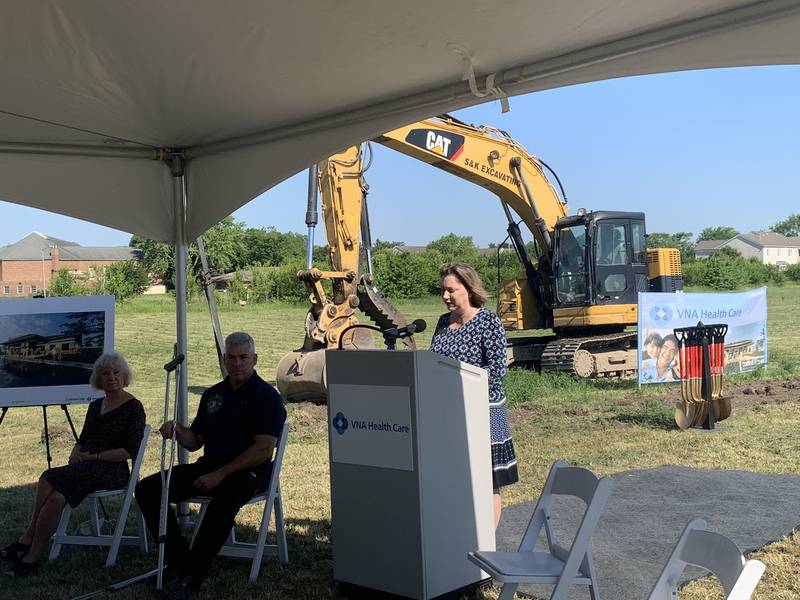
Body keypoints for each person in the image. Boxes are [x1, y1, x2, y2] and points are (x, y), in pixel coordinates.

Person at [135, 332, 286, 600]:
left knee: (224, 500)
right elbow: (195, 442)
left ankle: (191, 577)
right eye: (232, 357)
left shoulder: (267, 397)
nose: (237, 363)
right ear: (224, 359)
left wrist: (220, 474)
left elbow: (263, 449)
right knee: (148, 489)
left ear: (255, 359)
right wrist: (178, 430)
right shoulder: (213, 395)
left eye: (243, 357)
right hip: (210, 465)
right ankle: (179, 557)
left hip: (249, 472)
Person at [2, 352, 146, 577]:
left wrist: (95, 457)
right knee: (51, 484)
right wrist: (75, 452)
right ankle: (30, 538)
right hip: (86, 466)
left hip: (112, 470)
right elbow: (83, 438)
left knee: (55, 487)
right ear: (98, 379)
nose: (111, 378)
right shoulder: (96, 405)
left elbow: (129, 451)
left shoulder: (134, 407)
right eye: (105, 373)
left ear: (124, 375)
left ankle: (30, 552)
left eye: (116, 373)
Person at [429, 263, 518, 529]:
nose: (446, 296)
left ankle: (486, 543)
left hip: (484, 413)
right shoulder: (443, 323)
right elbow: (433, 363)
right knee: (457, 478)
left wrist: (462, 385)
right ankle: (460, 533)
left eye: (451, 290)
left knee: (487, 481)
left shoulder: (488, 321)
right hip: (449, 414)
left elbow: (497, 369)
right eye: (443, 290)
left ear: (469, 289)